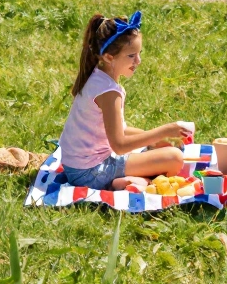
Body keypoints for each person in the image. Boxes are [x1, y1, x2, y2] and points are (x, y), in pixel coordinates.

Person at [59, 12, 189, 191]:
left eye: (139, 54)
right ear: (108, 57)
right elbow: (119, 146)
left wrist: (152, 140)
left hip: (77, 168)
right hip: (90, 173)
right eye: (131, 56)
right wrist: (163, 132)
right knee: (174, 157)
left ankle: (133, 181)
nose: (139, 61)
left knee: (154, 149)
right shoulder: (108, 92)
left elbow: (120, 130)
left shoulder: (98, 78)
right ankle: (137, 183)